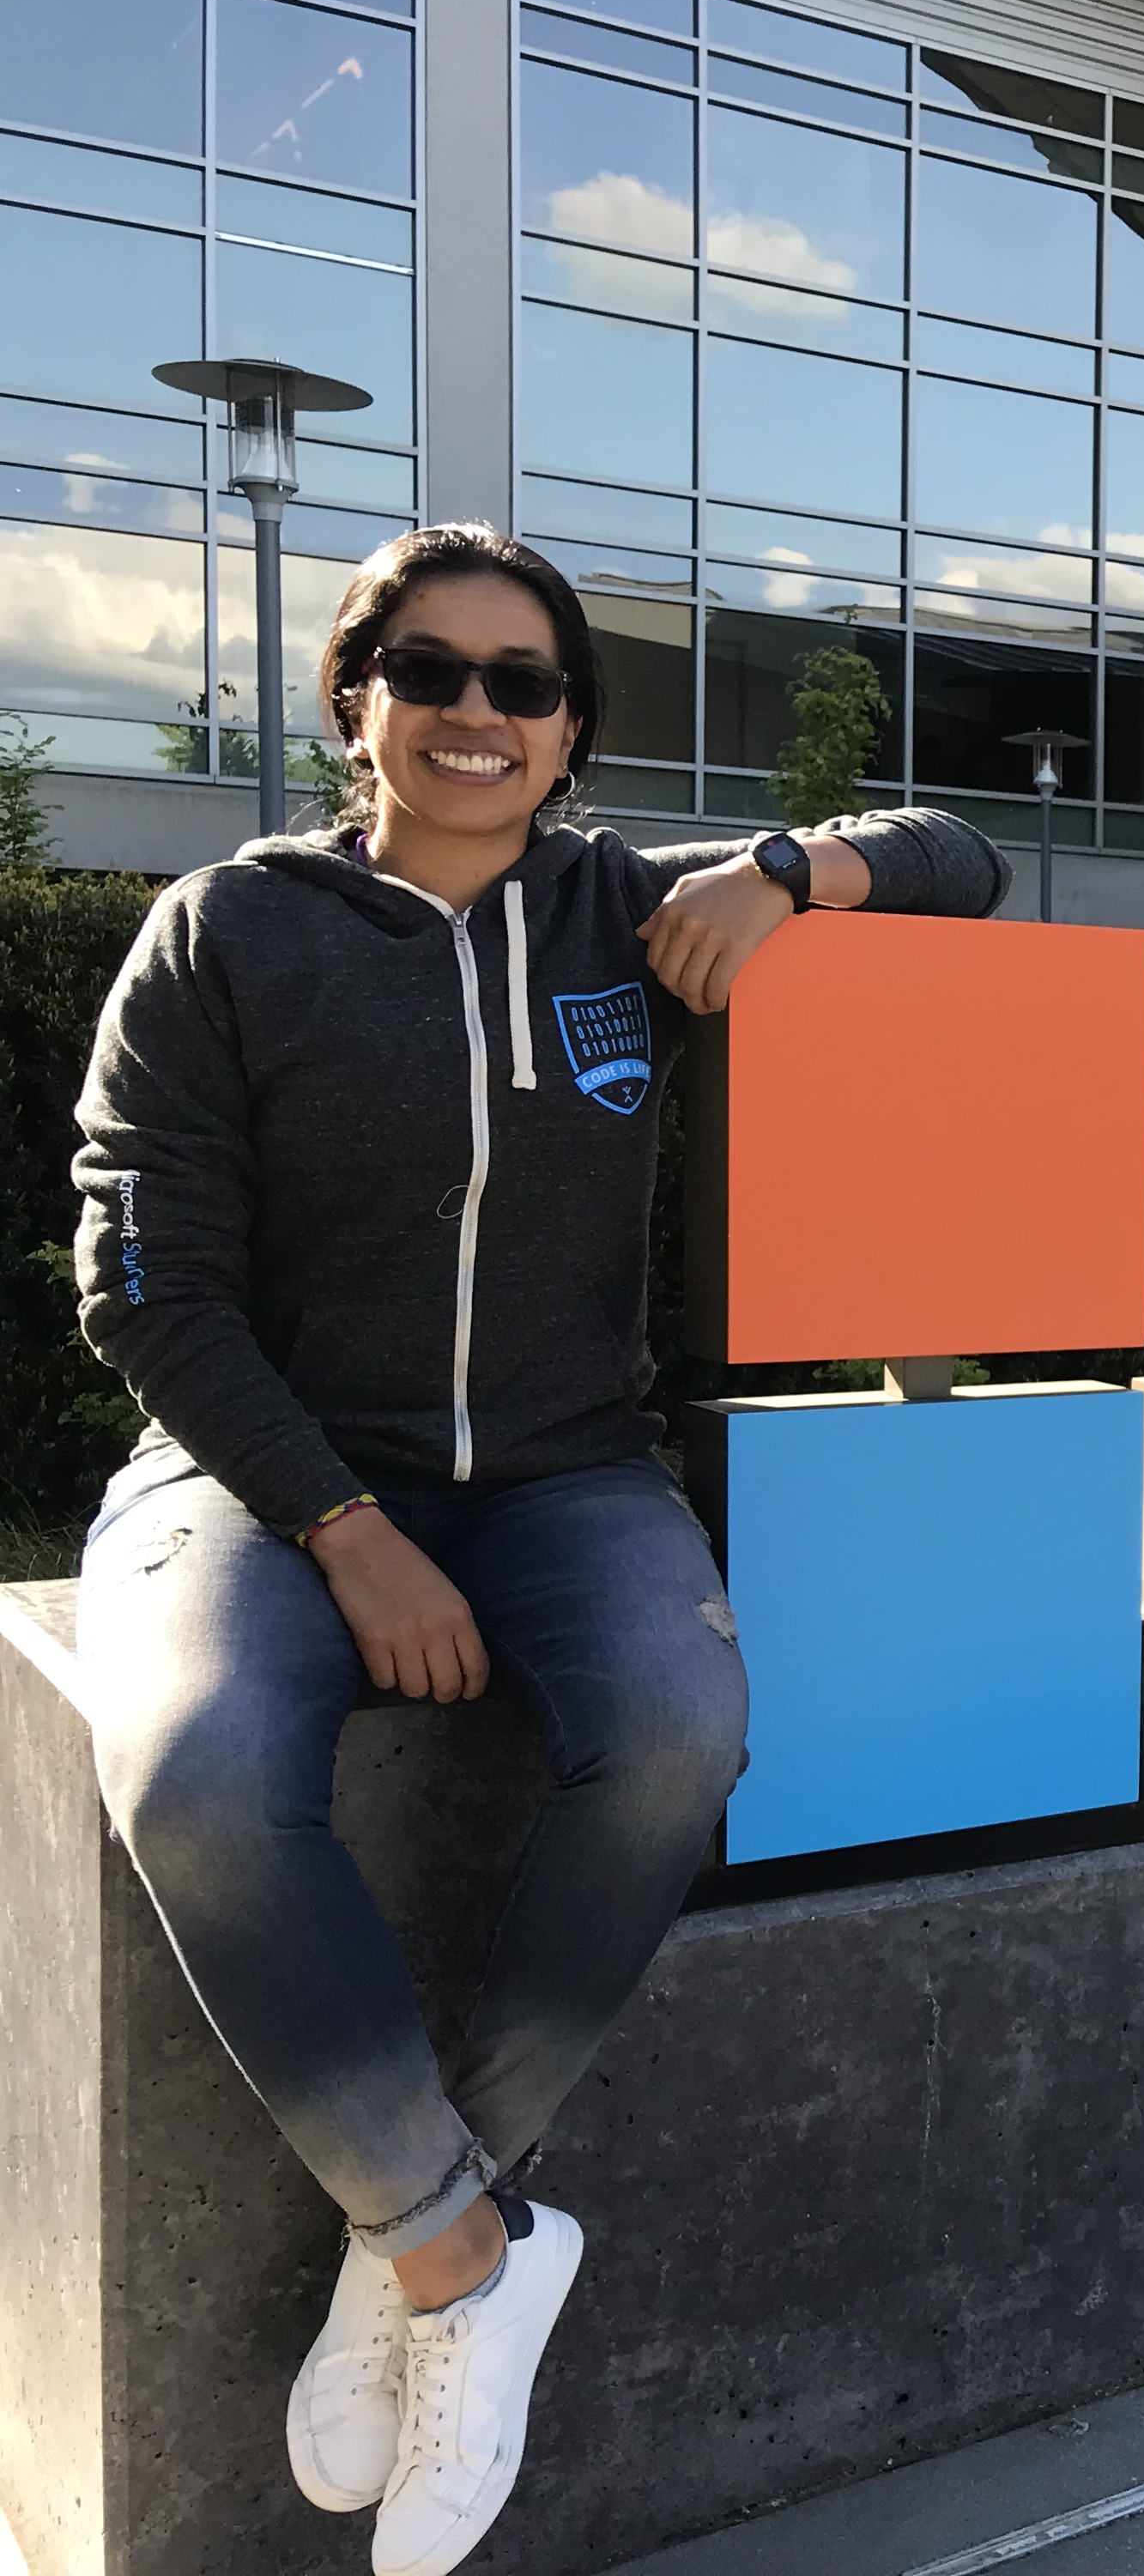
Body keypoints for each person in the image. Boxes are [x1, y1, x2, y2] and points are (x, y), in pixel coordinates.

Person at [66, 524, 1007, 2576]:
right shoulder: (226, 932)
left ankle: (414, 2239)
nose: (475, 713)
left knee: (679, 1726)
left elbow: (966, 859)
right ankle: (465, 2258)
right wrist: (344, 1529)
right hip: (264, 1478)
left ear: (573, 728)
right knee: (199, 1777)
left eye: (524, 682)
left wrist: (790, 871)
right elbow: (143, 1281)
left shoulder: (630, 913)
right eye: (430, 670)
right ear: (357, 701)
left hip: (568, 1476)